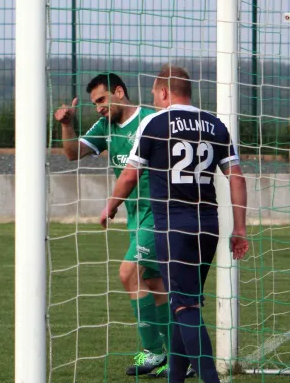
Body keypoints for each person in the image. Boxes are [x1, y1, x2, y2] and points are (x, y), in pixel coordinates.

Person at [100, 64, 249, 382]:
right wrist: (240, 229)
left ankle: (210, 378)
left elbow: (129, 174)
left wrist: (110, 207)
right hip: (208, 226)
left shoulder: (154, 123)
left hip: (172, 227)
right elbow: (236, 177)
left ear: (164, 91)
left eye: (155, 93)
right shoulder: (214, 124)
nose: (154, 100)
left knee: (185, 309)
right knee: (180, 304)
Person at [54, 72, 180, 377]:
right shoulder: (105, 126)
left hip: (161, 213)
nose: (98, 107)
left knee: (128, 273)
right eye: (94, 103)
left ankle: (153, 353)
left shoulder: (153, 118)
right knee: (154, 284)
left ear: (119, 92)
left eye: (101, 100)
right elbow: (72, 153)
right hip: (136, 216)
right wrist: (66, 123)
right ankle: (178, 355)